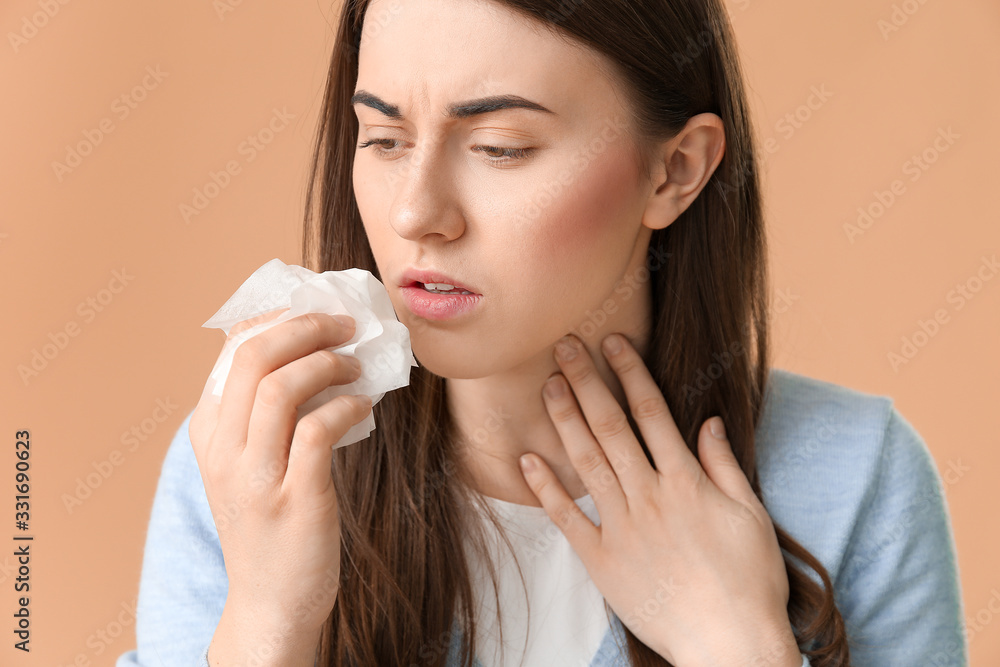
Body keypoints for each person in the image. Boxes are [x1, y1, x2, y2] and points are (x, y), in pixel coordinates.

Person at [116, 0, 968, 665]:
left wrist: (741, 647)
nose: (415, 212)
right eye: (383, 138)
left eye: (500, 146)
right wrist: (270, 622)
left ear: (675, 170)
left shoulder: (856, 477)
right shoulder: (253, 461)